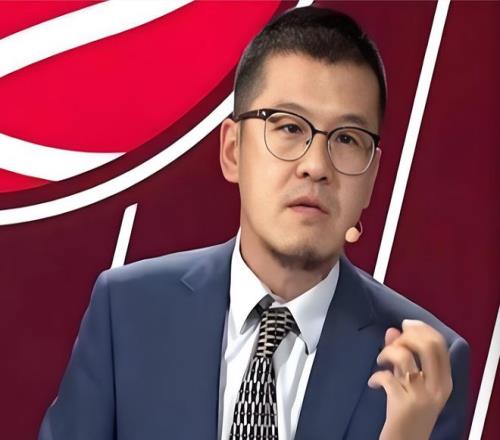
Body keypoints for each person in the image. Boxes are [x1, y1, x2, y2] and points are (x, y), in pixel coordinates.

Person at [38, 6, 470, 440]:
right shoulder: (126, 311)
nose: (316, 166)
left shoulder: (425, 369)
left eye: (346, 138)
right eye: (289, 127)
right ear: (233, 150)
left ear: (372, 178)